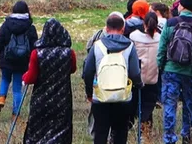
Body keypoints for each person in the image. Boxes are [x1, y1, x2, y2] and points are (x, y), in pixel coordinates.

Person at [158, 0, 192, 144]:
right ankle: (187, 135)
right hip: (191, 72)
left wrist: (160, 64)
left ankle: (169, 137)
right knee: (189, 105)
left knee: (170, 104)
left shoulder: (170, 23)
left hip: (171, 70)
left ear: (181, 7)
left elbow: (162, 47)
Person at [82, 13, 143, 144]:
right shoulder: (130, 46)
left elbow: (88, 72)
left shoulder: (97, 46)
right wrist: (139, 84)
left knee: (100, 132)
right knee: (121, 133)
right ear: (123, 29)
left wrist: (89, 93)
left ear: (107, 28)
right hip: (123, 97)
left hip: (100, 97)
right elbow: (134, 73)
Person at [22, 18, 77, 144]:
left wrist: (24, 78)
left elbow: (31, 77)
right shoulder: (69, 53)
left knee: (39, 130)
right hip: (62, 100)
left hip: (41, 100)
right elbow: (73, 69)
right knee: (61, 129)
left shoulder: (37, 53)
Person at [0, 0, 38, 115]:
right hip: (22, 61)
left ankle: (1, 98)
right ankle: (16, 113)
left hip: (6, 59)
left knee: (5, 79)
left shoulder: (6, 25)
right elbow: (35, 45)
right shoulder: (30, 27)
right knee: (17, 88)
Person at [129, 12, 162, 139]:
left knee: (132, 104)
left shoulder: (134, 37)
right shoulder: (160, 39)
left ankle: (126, 128)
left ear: (144, 24)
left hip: (136, 78)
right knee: (148, 106)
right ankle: (145, 133)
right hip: (153, 78)